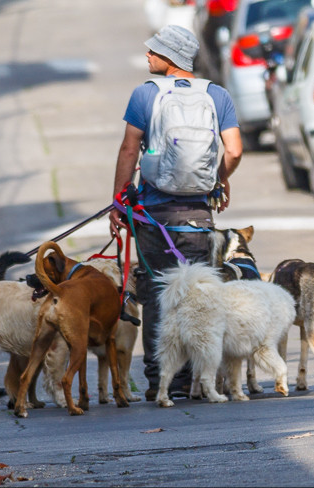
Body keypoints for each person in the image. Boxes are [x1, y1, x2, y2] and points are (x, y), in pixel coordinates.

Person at [109, 24, 244, 400]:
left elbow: (128, 150)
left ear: (170, 57)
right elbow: (233, 150)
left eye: (153, 50)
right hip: (197, 216)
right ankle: (194, 378)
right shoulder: (217, 95)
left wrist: (120, 199)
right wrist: (219, 179)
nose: (147, 55)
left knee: (156, 292)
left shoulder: (145, 95)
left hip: (153, 214)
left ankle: (160, 379)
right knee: (195, 293)